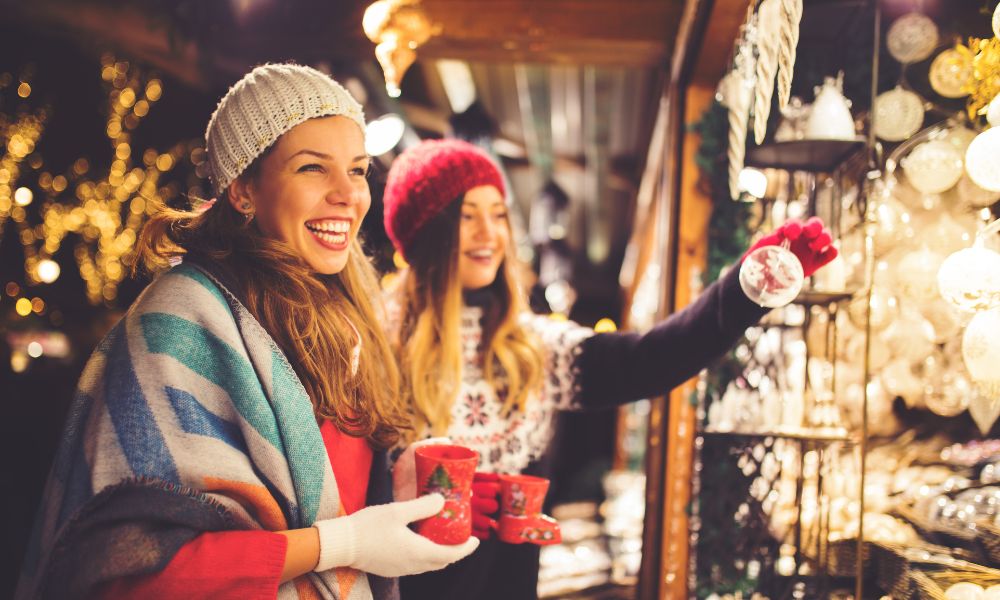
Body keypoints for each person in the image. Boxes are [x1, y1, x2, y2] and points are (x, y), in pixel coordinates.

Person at [15, 64, 476, 600]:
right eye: (312, 169)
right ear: (242, 190)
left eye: (357, 169)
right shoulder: (180, 322)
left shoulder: (348, 315)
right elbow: (133, 573)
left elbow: (338, 490)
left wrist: (402, 485)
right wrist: (342, 544)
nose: (348, 194)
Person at [381, 139, 837, 600]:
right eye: (466, 215)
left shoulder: (531, 345)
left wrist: (742, 289)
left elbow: (647, 360)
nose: (489, 233)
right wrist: (409, 498)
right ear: (425, 231)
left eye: (499, 214)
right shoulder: (377, 345)